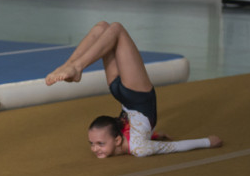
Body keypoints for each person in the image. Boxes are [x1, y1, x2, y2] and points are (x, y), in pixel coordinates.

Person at [45, 21, 222, 158]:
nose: (95, 148)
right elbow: (164, 144)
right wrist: (205, 142)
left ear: (117, 139)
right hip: (131, 96)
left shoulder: (134, 145)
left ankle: (73, 67)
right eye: (93, 143)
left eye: (98, 143)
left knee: (107, 28)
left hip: (133, 98)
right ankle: (72, 67)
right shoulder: (138, 147)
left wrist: (205, 142)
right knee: (110, 29)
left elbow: (165, 143)